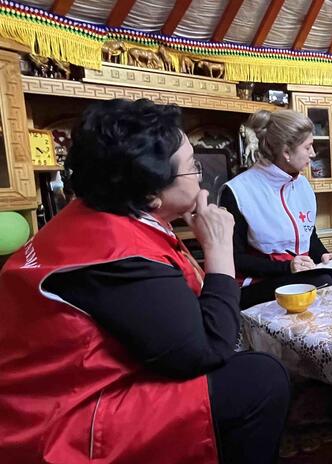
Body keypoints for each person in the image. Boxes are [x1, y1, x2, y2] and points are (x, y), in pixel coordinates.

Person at [0, 99, 289, 463]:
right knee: (260, 380)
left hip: (48, 393)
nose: (200, 176)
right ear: (152, 193)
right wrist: (218, 254)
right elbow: (204, 352)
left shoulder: (97, 217)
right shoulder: (115, 253)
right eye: (191, 167)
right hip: (66, 420)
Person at [219, 110, 332, 309]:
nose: (314, 154)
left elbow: (310, 234)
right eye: (308, 147)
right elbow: (233, 259)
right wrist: (287, 267)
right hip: (255, 283)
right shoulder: (237, 191)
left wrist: (323, 255)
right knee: (321, 284)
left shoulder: (302, 185)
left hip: (295, 275)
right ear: (287, 153)